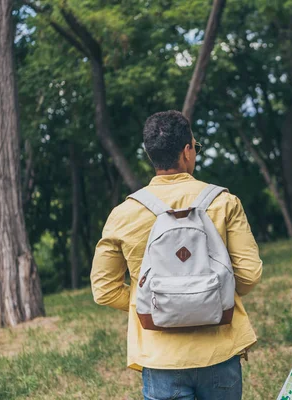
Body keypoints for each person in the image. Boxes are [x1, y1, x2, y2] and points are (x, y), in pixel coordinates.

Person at [91, 110, 262, 400]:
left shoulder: (123, 214)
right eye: (195, 147)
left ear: (150, 154)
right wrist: (210, 299)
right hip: (219, 349)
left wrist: (155, 304)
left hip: (160, 357)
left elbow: (104, 290)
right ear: (186, 150)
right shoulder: (223, 202)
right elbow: (249, 274)